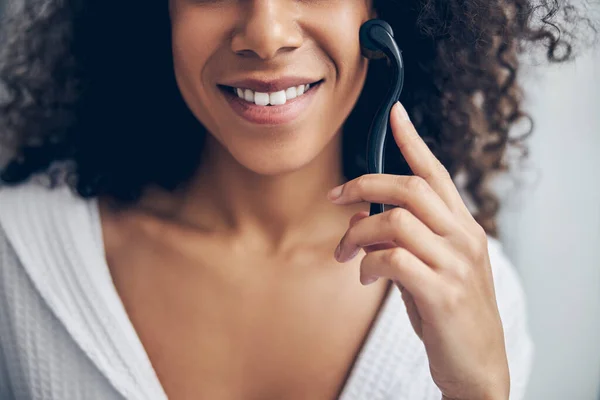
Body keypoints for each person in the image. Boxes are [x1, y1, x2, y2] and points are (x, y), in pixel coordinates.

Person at [0, 0, 585, 399]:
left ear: (379, 11)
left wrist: (478, 392)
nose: (266, 33)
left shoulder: (469, 297)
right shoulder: (16, 254)